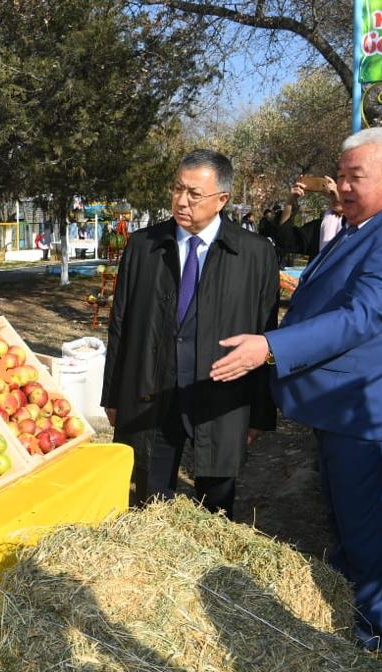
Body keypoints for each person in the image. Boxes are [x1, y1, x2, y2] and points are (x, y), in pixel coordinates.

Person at [208, 127, 382, 653]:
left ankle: (373, 646)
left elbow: (361, 317)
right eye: (340, 175)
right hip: (343, 407)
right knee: (345, 527)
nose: (342, 187)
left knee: (374, 542)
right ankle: (342, 620)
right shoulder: (366, 224)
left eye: (354, 177)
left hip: (372, 413)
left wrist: (270, 346)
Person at [101, 149, 279, 518]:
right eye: (177, 189)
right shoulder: (143, 247)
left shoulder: (255, 254)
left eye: (194, 194)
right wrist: (114, 394)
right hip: (153, 391)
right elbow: (120, 323)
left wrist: (261, 413)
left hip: (221, 396)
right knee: (149, 501)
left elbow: (266, 333)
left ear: (222, 200)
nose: (182, 201)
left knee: (216, 506)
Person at [276, 176, 344, 258]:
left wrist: (341, 203)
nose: (334, 196)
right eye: (332, 194)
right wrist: (290, 202)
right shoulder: (320, 227)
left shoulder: (359, 228)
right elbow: (287, 239)